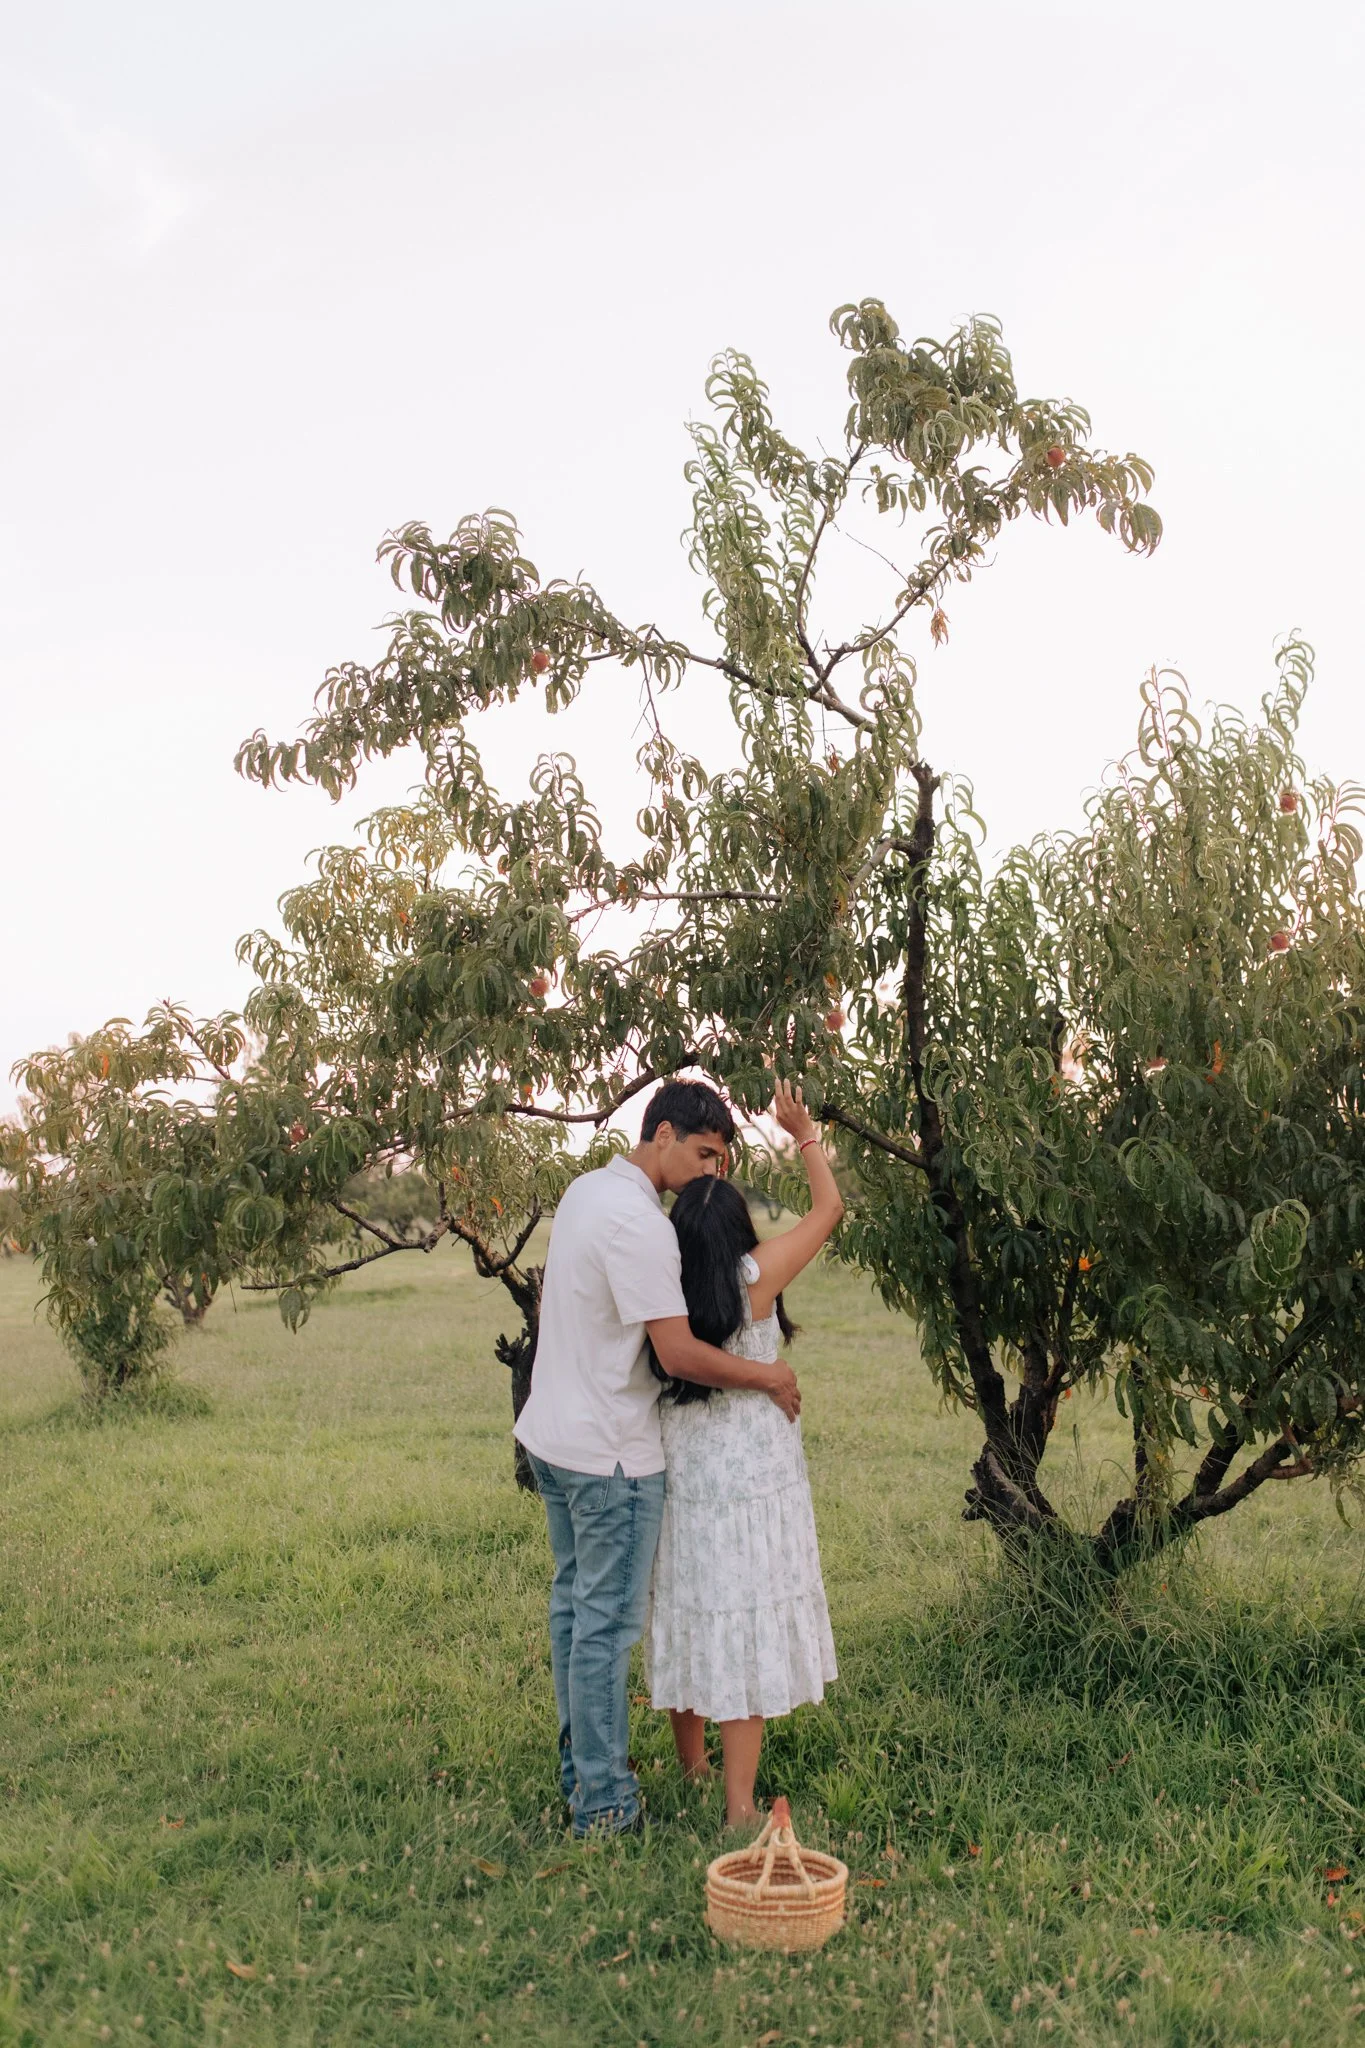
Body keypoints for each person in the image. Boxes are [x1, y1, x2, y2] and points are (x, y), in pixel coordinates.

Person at [514, 1078, 802, 1838]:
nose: (713, 1171)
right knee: (602, 1629)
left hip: (552, 1436)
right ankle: (605, 1807)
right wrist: (769, 1375)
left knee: (575, 1617)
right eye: (705, 1153)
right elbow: (677, 1355)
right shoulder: (641, 1225)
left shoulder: (583, 1192)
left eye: (723, 1159)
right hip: (609, 1455)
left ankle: (583, 1777)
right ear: (664, 1133)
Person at [647, 1080, 842, 1827]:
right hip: (754, 1477)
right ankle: (738, 1809)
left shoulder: (663, 1282)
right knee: (743, 1624)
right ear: (739, 1229)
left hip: (686, 1467)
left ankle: (693, 1769)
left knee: (693, 1611)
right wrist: (804, 1135)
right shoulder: (754, 1280)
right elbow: (828, 1210)